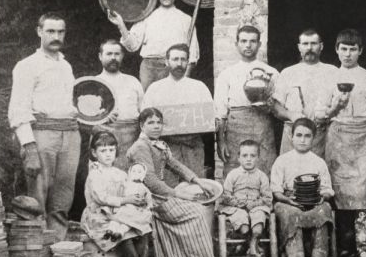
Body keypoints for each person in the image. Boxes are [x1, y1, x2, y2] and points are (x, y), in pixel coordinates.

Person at [8, 12, 80, 241]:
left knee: (62, 198)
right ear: (39, 31)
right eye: (50, 31)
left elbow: (66, 105)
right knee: (37, 198)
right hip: (41, 135)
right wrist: (29, 148)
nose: (56, 36)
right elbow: (18, 109)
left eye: (60, 31)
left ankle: (57, 252)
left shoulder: (66, 65)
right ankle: (35, 254)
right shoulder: (27, 65)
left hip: (69, 135)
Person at [322, 29, 366, 257]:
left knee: (364, 191)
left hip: (364, 137)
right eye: (343, 49)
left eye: (353, 49)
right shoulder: (329, 78)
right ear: (336, 50)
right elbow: (320, 111)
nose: (348, 54)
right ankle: (344, 245)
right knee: (339, 191)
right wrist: (334, 110)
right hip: (337, 134)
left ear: (360, 51)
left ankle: (364, 246)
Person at [126, 107, 218, 257]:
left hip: (160, 194)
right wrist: (178, 194)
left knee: (199, 206)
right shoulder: (141, 146)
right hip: (148, 198)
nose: (156, 126)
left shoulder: (159, 144)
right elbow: (151, 181)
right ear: (141, 126)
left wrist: (197, 180)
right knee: (196, 211)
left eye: (159, 122)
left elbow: (175, 165)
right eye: (151, 123)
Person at [80, 131, 157, 257]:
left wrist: (139, 198)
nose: (108, 154)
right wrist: (126, 199)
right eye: (103, 151)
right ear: (94, 153)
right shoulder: (95, 174)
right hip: (99, 214)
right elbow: (101, 198)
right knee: (124, 235)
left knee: (142, 227)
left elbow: (130, 190)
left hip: (119, 212)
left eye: (111, 150)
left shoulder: (120, 173)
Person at [108, 0, 199, 89]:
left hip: (174, 67)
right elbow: (132, 46)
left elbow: (193, 52)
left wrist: (186, 77)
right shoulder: (147, 17)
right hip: (149, 69)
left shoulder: (186, 19)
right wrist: (121, 24)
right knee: (148, 103)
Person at [142, 43, 213, 185]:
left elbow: (209, 117)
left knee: (195, 185)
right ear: (166, 61)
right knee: (169, 186)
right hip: (166, 146)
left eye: (183, 59)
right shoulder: (155, 88)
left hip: (193, 146)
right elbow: (145, 119)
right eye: (175, 59)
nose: (179, 64)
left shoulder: (199, 87)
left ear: (188, 61)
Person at [271, 118, 335, 257]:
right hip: (287, 201)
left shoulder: (319, 162)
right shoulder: (282, 161)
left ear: (313, 138)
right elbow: (276, 191)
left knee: (324, 210)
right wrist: (288, 200)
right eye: (298, 135)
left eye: (307, 136)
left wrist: (322, 197)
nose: (302, 140)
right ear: (291, 137)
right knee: (291, 213)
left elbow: (327, 189)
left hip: (314, 200)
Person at [214, 25, 279, 177]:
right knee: (234, 169)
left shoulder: (271, 72)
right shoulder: (227, 74)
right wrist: (221, 142)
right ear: (236, 44)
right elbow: (221, 113)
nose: (248, 45)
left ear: (259, 44)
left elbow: (278, 107)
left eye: (252, 41)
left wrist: (269, 107)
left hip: (263, 125)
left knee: (265, 167)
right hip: (236, 127)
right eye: (243, 41)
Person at [272, 29, 338, 158]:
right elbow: (275, 106)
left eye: (313, 43)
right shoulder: (287, 73)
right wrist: (291, 114)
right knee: (289, 174)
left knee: (318, 174)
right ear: (299, 47)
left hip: (322, 135)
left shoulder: (333, 72)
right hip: (293, 133)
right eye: (305, 44)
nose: (309, 48)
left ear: (321, 46)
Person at [94, 39, 144, 170]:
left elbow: (143, 113)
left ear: (122, 56)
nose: (113, 58)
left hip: (130, 138)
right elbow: (85, 118)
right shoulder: (92, 84)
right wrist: (100, 120)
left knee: (129, 183)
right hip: (102, 139)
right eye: (109, 54)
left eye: (117, 54)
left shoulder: (133, 81)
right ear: (100, 56)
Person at [218, 140, 273, 257]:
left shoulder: (262, 176)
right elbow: (225, 196)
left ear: (258, 158)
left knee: (258, 224)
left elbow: (267, 197)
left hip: (256, 207)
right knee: (243, 227)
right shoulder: (233, 174)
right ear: (239, 158)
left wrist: (254, 204)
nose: (249, 159)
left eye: (252, 156)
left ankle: (253, 244)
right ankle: (247, 245)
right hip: (237, 208)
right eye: (244, 155)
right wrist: (237, 203)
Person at [103, 163, 152, 242]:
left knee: (127, 222)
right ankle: (110, 230)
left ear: (143, 174)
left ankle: (119, 232)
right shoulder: (125, 184)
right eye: (134, 171)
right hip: (124, 207)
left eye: (139, 172)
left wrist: (149, 206)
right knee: (116, 220)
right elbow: (120, 195)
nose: (136, 173)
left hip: (134, 209)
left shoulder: (144, 188)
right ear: (130, 172)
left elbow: (148, 198)